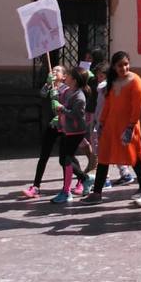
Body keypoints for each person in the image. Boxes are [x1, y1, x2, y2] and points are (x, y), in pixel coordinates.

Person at [84, 52, 141, 205]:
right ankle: (97, 192)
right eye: (120, 65)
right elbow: (108, 104)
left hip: (128, 126)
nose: (123, 68)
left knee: (134, 157)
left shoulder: (135, 80)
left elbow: (137, 107)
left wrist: (131, 126)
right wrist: (101, 123)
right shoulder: (113, 81)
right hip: (111, 126)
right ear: (114, 66)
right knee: (104, 157)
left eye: (126, 64)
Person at [21, 65, 68, 199]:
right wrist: (48, 84)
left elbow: (67, 104)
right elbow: (42, 94)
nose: (54, 72)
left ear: (64, 76)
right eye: (52, 70)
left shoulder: (66, 89)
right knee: (44, 156)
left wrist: (58, 95)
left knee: (65, 157)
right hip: (51, 125)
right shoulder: (49, 87)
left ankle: (69, 184)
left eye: (57, 70)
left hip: (63, 125)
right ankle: (36, 186)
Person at [51, 68, 94, 204]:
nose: (66, 77)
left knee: (67, 159)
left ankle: (66, 191)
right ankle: (85, 178)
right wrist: (54, 96)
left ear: (74, 80)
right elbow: (60, 101)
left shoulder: (79, 96)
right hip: (66, 129)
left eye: (68, 75)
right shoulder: (67, 91)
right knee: (63, 160)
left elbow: (76, 114)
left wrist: (62, 109)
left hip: (75, 132)